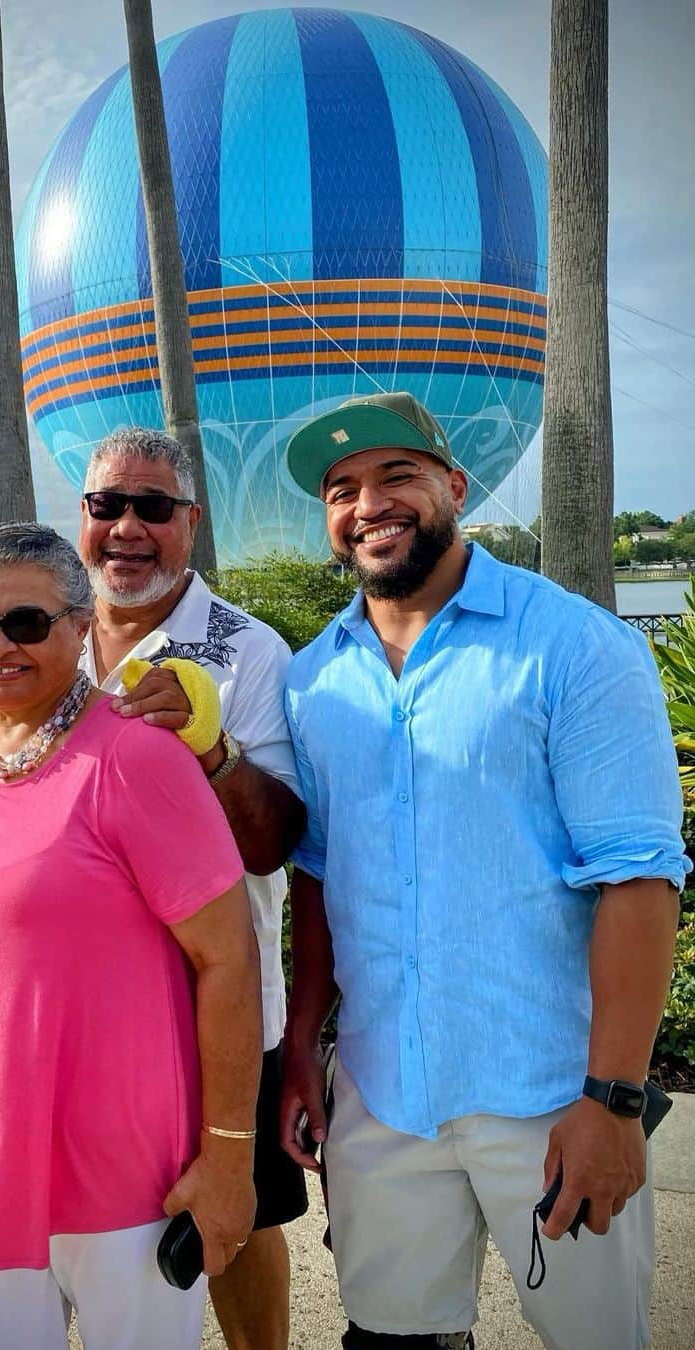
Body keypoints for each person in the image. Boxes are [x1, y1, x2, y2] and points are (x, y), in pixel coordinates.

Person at [277, 390, 689, 1350]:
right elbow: (319, 881)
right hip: (381, 1095)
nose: (368, 503)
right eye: (342, 489)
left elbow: (639, 879)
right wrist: (305, 1048)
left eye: (396, 476)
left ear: (455, 487)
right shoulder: (313, 679)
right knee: (390, 1339)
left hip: (551, 1092)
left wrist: (614, 1100)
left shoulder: (575, 644)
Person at [0, 522, 262, 1350]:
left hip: (127, 1177)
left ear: (83, 626)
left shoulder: (137, 758)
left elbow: (229, 955)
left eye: (26, 623)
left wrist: (228, 1158)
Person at [77, 427, 308, 1350]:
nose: (128, 527)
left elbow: (274, 841)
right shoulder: (36, 642)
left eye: (154, 508)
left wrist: (212, 752)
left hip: (218, 1005)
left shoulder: (247, 651)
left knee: (238, 1215)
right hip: (83, 1008)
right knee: (93, 1225)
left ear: (191, 523)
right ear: (82, 516)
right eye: (108, 505)